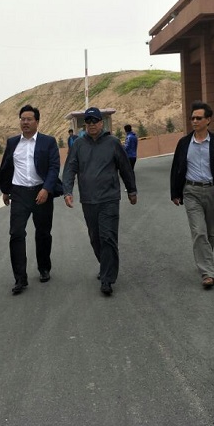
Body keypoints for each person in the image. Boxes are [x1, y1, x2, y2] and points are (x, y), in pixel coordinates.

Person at [62, 107, 137, 296]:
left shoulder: (113, 143)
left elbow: (125, 167)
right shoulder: (78, 145)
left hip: (109, 198)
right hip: (88, 200)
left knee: (108, 237)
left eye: (94, 121)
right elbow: (70, 168)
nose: (91, 124)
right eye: (88, 121)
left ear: (101, 123)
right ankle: (105, 265)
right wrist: (67, 191)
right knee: (95, 238)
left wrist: (132, 190)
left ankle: (107, 279)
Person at [170, 101, 214, 289]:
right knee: (199, 231)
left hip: (213, 192)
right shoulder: (184, 143)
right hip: (191, 191)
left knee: (210, 233)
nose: (195, 121)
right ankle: (207, 273)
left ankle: (204, 258)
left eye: (199, 118)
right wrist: (175, 192)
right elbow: (176, 168)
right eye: (192, 118)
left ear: (208, 120)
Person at [0, 105, 62, 295]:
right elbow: (6, 166)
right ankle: (20, 278)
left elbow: (54, 167)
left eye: (29, 119)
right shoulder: (12, 143)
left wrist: (46, 189)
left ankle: (44, 267)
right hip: (19, 193)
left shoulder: (48, 142)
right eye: (22, 119)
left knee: (43, 233)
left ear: (37, 121)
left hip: (41, 192)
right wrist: (5, 190)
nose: (25, 122)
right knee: (16, 234)